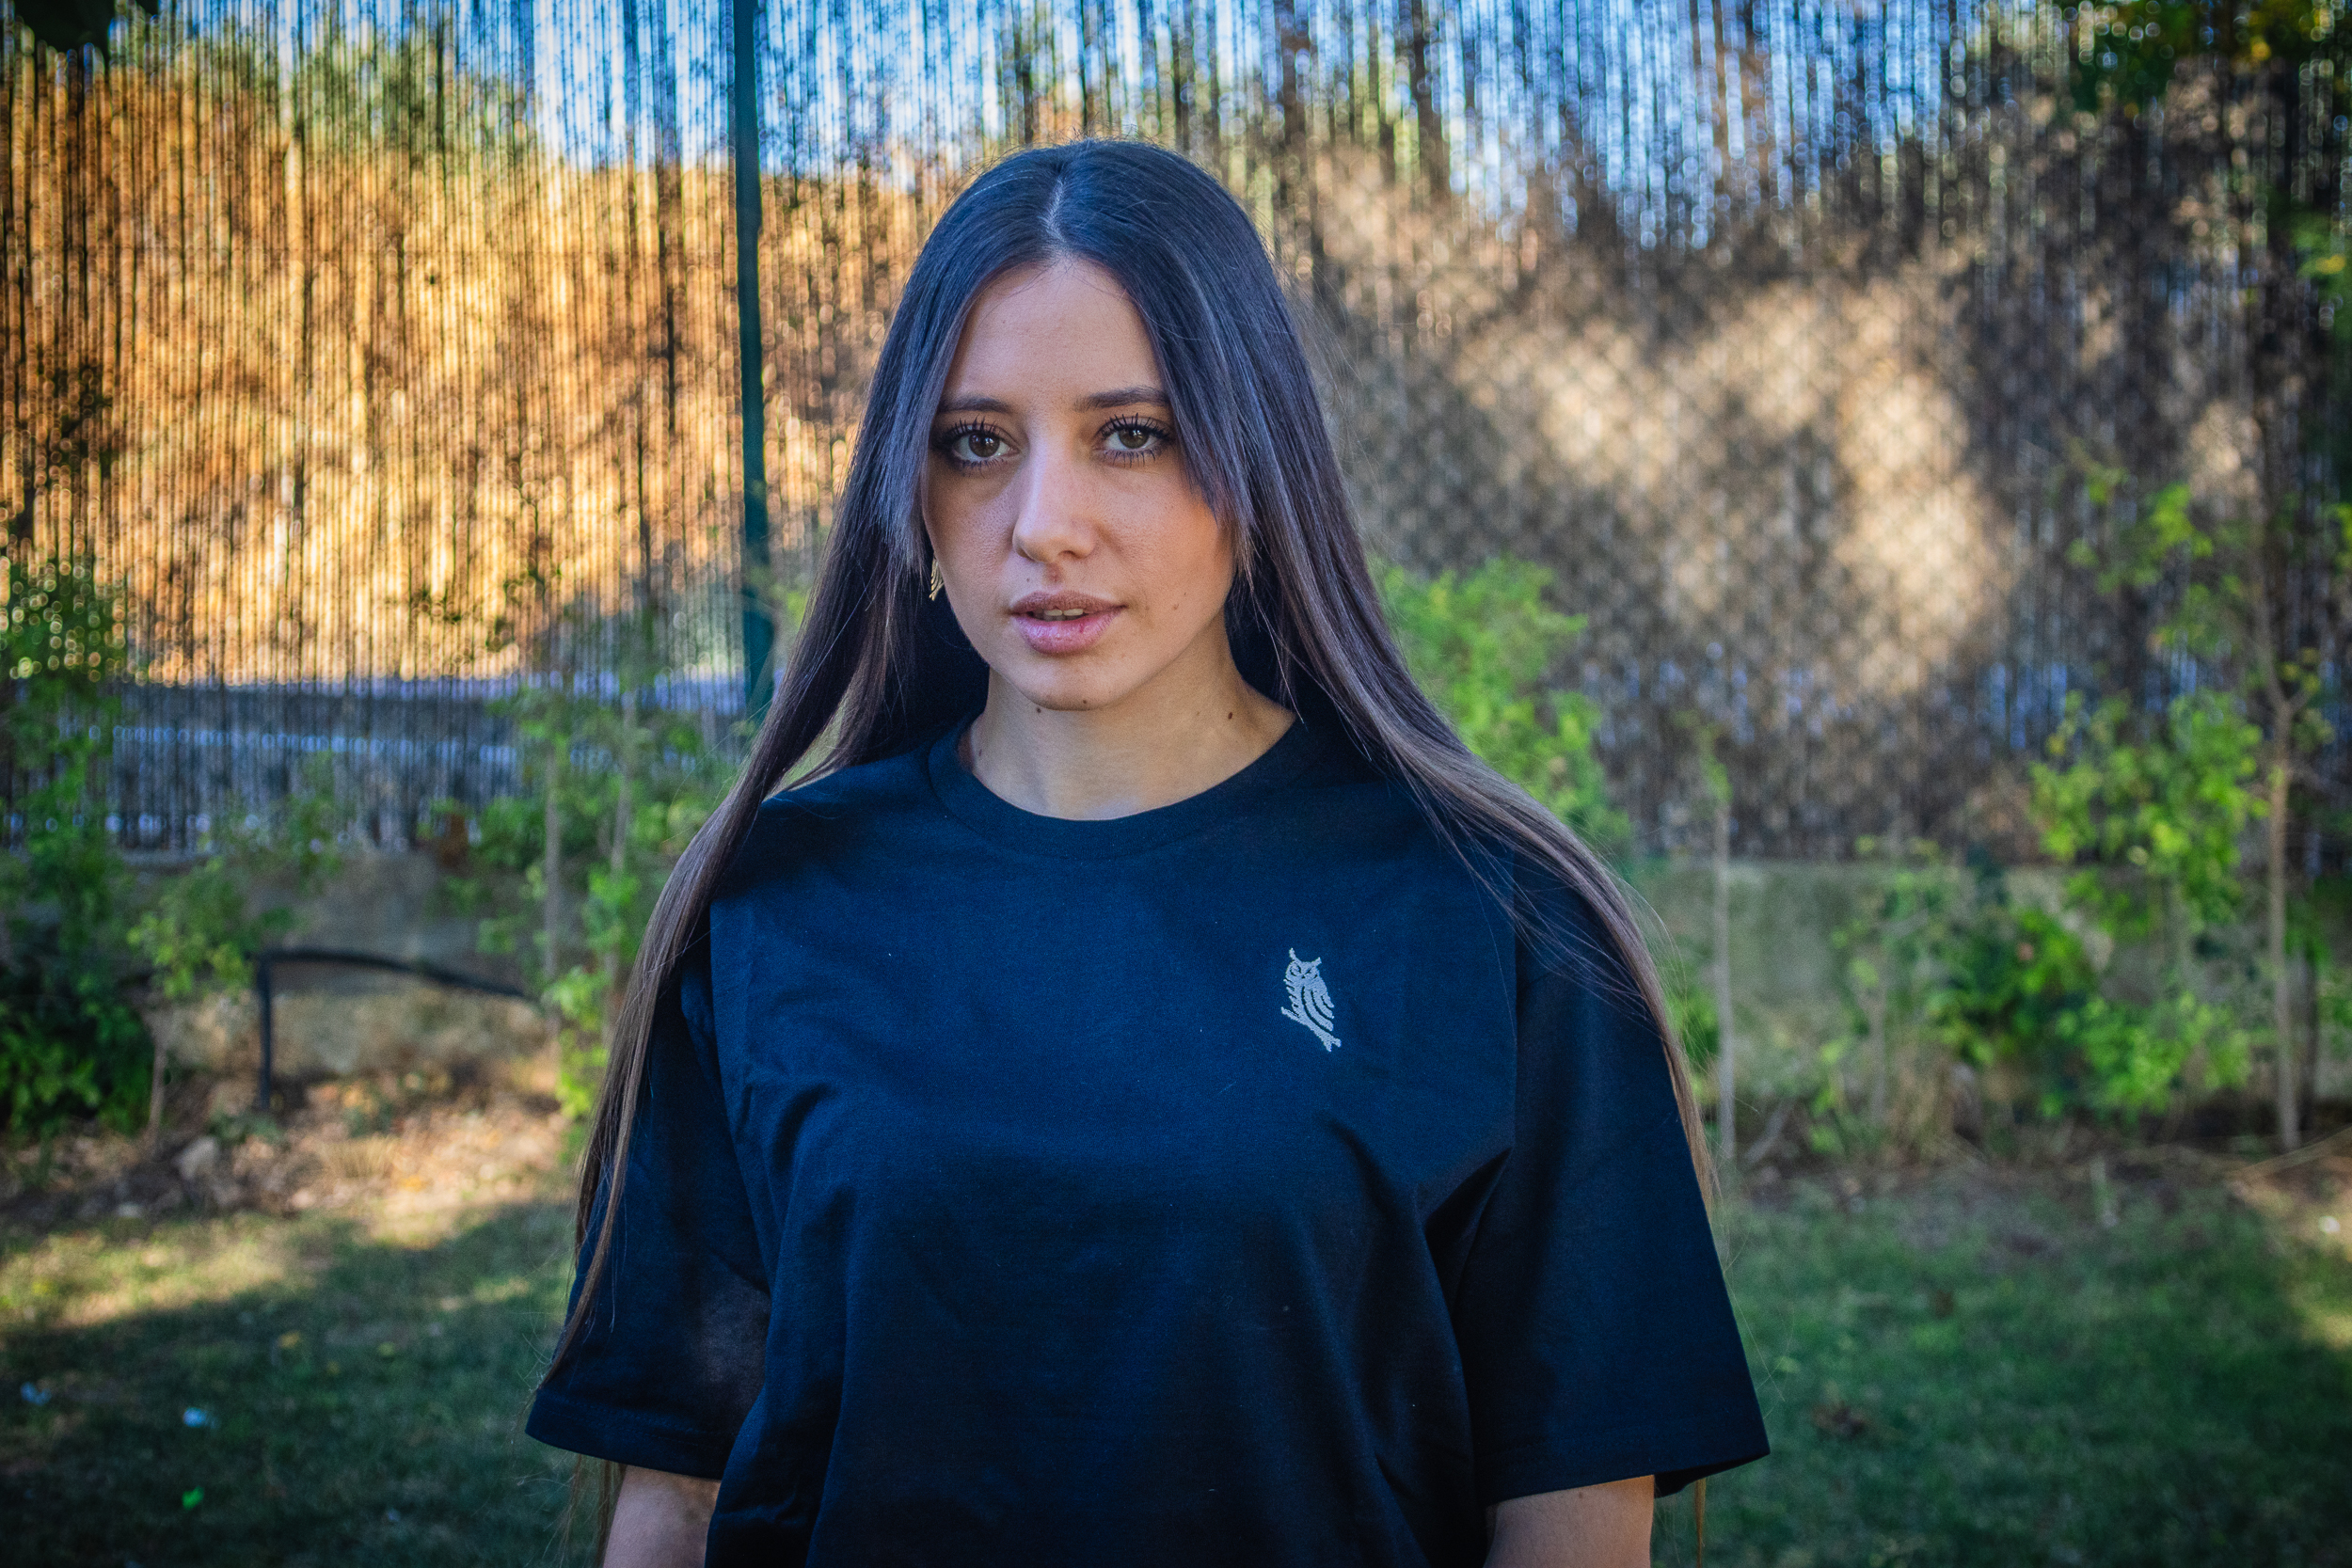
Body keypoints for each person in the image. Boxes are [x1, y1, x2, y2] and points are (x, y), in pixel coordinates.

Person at [528, 139, 1768, 1568]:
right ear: (909, 487)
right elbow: (676, 1497)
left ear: (1259, 462)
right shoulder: (772, 904)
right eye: (976, 442)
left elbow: (1574, 1514)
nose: (1045, 527)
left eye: (1133, 434)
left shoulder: (1495, 921)